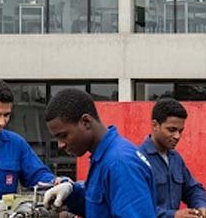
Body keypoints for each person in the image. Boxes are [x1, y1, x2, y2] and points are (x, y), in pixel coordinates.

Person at [42, 88, 156, 218]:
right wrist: (72, 193)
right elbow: (99, 207)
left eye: (63, 135)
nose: (60, 145)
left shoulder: (120, 163)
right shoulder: (105, 158)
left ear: (86, 122)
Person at [141, 98, 206, 218]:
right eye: (172, 130)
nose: (177, 136)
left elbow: (193, 189)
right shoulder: (138, 161)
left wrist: (202, 207)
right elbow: (138, 208)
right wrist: (173, 215)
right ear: (155, 125)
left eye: (181, 131)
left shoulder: (175, 158)